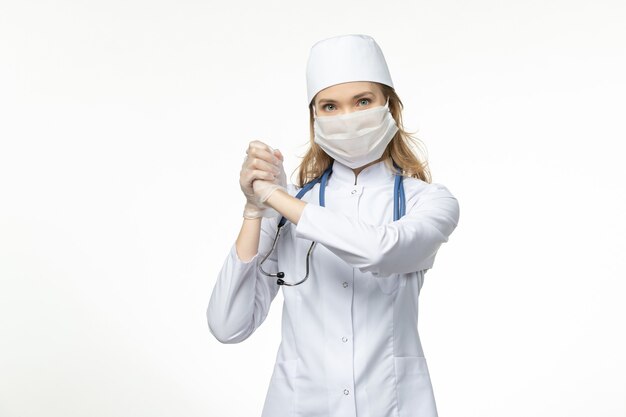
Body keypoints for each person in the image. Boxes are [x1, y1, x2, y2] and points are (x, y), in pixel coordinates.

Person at [207, 34, 460, 417]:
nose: (348, 117)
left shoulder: (428, 201)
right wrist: (254, 209)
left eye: (362, 101)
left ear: (389, 106)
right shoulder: (290, 207)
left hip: (394, 405)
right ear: (315, 118)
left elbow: (379, 250)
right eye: (330, 106)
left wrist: (276, 197)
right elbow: (228, 325)